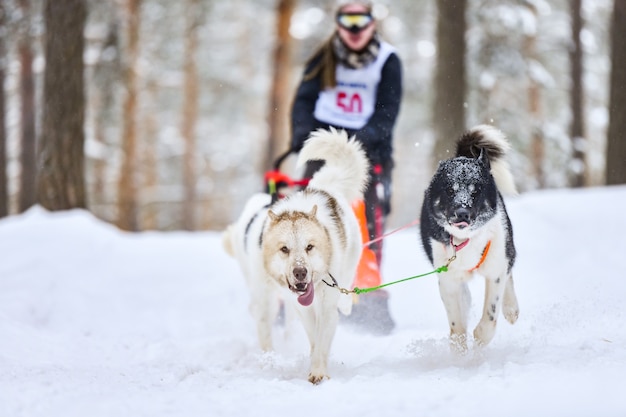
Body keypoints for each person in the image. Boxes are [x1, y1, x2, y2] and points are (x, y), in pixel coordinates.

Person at [289, 2, 403, 334]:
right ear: (338, 24)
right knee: (307, 222)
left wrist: (356, 143)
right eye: (347, 20)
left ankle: (366, 300)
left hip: (367, 155)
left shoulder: (387, 60)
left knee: (365, 224)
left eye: (361, 20)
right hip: (320, 150)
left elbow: (386, 113)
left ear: (371, 23)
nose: (354, 29)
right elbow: (303, 102)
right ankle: (303, 293)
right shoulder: (323, 56)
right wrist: (304, 137)